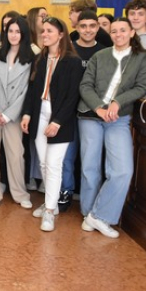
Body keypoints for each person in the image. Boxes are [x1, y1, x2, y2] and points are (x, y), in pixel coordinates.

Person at [78, 17, 146, 238]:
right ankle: (87, 214)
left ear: (131, 33)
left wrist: (117, 102)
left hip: (118, 119)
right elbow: (85, 85)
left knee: (122, 170)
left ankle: (100, 215)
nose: (118, 35)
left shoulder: (141, 58)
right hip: (91, 116)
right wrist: (100, 107)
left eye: (122, 31)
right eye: (114, 31)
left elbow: (141, 87)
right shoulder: (100, 56)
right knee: (90, 169)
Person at [21, 17, 82, 232]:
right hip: (39, 115)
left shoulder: (72, 62)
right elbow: (32, 90)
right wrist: (27, 114)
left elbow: (72, 96)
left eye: (49, 31)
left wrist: (57, 122)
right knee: (44, 164)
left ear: (61, 34)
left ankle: (49, 211)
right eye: (43, 31)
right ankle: (51, 202)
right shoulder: (40, 58)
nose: (45, 34)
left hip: (60, 119)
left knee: (54, 164)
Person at [0, 16, 34, 209]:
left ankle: (20, 193)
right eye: (10, 31)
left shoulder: (31, 58)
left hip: (14, 115)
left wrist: (8, 114)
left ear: (24, 34)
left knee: (16, 154)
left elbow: (26, 91)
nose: (14, 35)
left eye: (18, 32)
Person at [58, 11, 105, 212]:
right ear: (77, 28)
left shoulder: (105, 52)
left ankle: (89, 199)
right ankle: (66, 190)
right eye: (83, 26)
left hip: (91, 113)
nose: (88, 30)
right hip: (69, 111)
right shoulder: (69, 51)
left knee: (90, 159)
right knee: (67, 156)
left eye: (92, 26)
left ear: (97, 28)